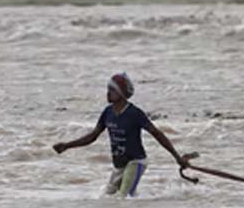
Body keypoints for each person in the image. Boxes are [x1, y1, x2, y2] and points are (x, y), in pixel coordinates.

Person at [53, 73, 189, 197]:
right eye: (108, 89)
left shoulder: (134, 113)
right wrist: (67, 146)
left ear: (121, 93)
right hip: (119, 166)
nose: (108, 93)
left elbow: (157, 134)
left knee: (124, 196)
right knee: (107, 196)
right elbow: (93, 136)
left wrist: (177, 157)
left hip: (136, 162)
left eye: (112, 90)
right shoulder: (108, 113)